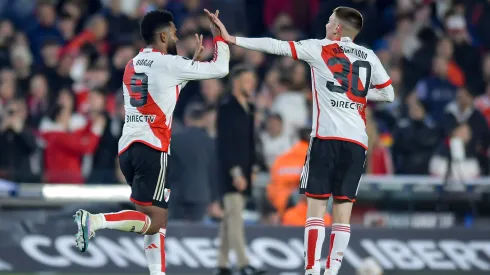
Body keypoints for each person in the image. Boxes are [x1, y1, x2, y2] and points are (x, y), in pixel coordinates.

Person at [209, 6, 394, 275]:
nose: (327, 23)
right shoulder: (369, 55)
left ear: (338, 28)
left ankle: (311, 270)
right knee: (343, 212)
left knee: (316, 208)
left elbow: (276, 46)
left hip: (326, 137)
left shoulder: (320, 48)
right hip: (357, 142)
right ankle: (332, 271)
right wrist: (354, 96)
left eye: (330, 20)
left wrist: (233, 39)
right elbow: (388, 94)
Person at [73, 8, 229, 275]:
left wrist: (189, 67)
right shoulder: (169, 63)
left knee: (156, 217)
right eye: (174, 31)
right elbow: (222, 68)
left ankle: (157, 273)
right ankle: (95, 221)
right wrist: (221, 38)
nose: (177, 35)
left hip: (129, 148)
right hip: (153, 149)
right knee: (153, 221)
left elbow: (164, 94)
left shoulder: (132, 64)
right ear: (163, 34)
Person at [215, 65, 265, 275]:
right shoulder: (227, 108)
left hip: (246, 171)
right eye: (247, 80)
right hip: (231, 172)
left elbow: (251, 142)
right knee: (235, 219)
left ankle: (222, 265)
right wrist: (236, 173)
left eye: (252, 81)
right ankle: (243, 264)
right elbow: (226, 144)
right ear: (236, 83)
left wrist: (253, 166)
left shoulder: (250, 108)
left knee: (230, 219)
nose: (251, 85)